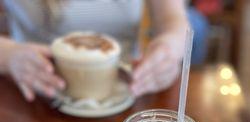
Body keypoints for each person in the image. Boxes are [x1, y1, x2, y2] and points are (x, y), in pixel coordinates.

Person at [0, 0, 188, 101]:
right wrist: (9, 55)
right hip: (32, 95)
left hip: (128, 90)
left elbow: (174, 20)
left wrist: (169, 48)